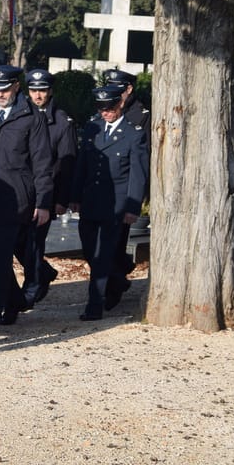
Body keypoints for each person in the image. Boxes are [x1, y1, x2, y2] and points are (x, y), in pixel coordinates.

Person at [0, 65, 54, 334]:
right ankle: (16, 299)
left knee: (2, 254)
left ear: (17, 86)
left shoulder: (31, 116)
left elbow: (42, 162)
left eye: (5, 88)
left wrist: (43, 202)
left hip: (16, 197)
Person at [70, 84, 149, 320]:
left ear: (120, 104)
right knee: (89, 251)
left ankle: (94, 306)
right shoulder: (93, 128)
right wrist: (74, 197)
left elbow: (138, 174)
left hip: (115, 203)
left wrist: (133, 207)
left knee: (103, 255)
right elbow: (82, 165)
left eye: (110, 107)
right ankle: (117, 279)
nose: (106, 112)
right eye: (101, 108)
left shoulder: (133, 133)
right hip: (91, 201)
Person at [13, 68, 76, 313]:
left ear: (50, 91)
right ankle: (43, 271)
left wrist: (61, 199)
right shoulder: (21, 115)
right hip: (22, 191)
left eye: (42, 90)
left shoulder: (62, 121)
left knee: (34, 243)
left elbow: (67, 163)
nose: (37, 95)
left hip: (45, 193)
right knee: (18, 242)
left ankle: (32, 286)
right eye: (33, 90)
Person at [100, 68, 151, 306]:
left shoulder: (142, 115)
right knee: (103, 245)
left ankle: (113, 290)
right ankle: (117, 280)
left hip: (125, 189)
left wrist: (138, 197)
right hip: (103, 191)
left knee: (116, 242)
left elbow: (144, 158)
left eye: (117, 89)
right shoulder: (105, 111)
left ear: (128, 89)